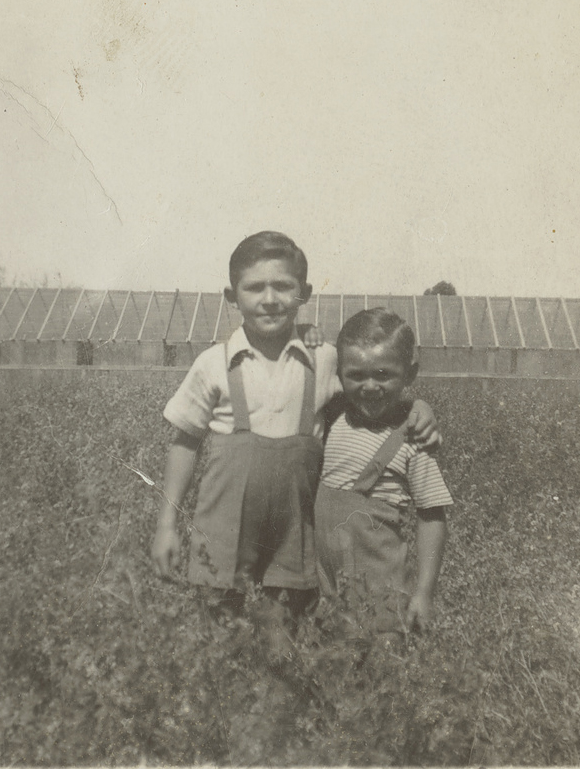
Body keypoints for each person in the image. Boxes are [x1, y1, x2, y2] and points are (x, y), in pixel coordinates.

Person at [151, 232, 439, 657]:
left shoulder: (323, 359)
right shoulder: (213, 364)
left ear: (304, 293)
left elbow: (374, 386)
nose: (269, 299)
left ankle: (279, 707)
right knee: (219, 633)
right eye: (254, 287)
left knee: (281, 636)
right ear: (232, 295)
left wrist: (419, 406)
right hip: (225, 523)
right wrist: (166, 525)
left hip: (292, 525)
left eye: (283, 286)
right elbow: (185, 442)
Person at [315, 307, 452, 647]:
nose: (370, 386)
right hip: (323, 586)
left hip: (382, 592)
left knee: (383, 666)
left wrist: (424, 592)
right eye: (356, 375)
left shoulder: (414, 437)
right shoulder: (329, 419)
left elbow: (432, 515)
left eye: (383, 374)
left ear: (410, 374)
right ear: (339, 376)